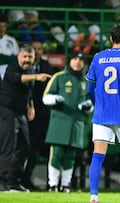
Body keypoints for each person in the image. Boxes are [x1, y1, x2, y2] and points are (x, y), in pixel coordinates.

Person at [86, 24, 120, 203]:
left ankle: (94, 195)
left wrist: (98, 104)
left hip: (102, 113)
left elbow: (90, 89)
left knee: (98, 155)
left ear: (111, 39)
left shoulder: (98, 58)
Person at [0, 45, 51, 192]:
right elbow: (16, 79)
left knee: (24, 147)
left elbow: (28, 90)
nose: (27, 60)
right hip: (6, 109)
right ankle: (2, 182)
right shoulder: (12, 67)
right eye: (25, 57)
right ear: (18, 56)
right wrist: (36, 76)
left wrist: (31, 105)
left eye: (30, 57)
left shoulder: (32, 69)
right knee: (8, 146)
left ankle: (14, 181)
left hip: (21, 112)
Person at [42, 50, 93, 193]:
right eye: (75, 59)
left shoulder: (85, 81)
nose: (78, 62)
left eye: (81, 60)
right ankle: (52, 185)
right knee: (56, 153)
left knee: (71, 156)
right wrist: (55, 99)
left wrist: (88, 106)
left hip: (77, 122)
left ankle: (65, 185)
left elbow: (89, 101)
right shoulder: (59, 77)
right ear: (70, 61)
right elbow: (45, 97)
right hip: (60, 120)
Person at [22, 40, 54, 190]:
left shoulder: (47, 67)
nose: (37, 52)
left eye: (39, 49)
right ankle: (23, 179)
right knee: (27, 149)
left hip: (43, 116)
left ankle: (51, 182)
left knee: (42, 149)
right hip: (26, 114)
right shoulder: (24, 68)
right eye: (34, 49)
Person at [0, 14, 19, 80]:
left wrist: (3, 58)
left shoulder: (11, 40)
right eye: (0, 26)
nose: (1, 29)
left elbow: (16, 58)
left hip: (9, 72)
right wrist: (9, 58)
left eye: (4, 26)